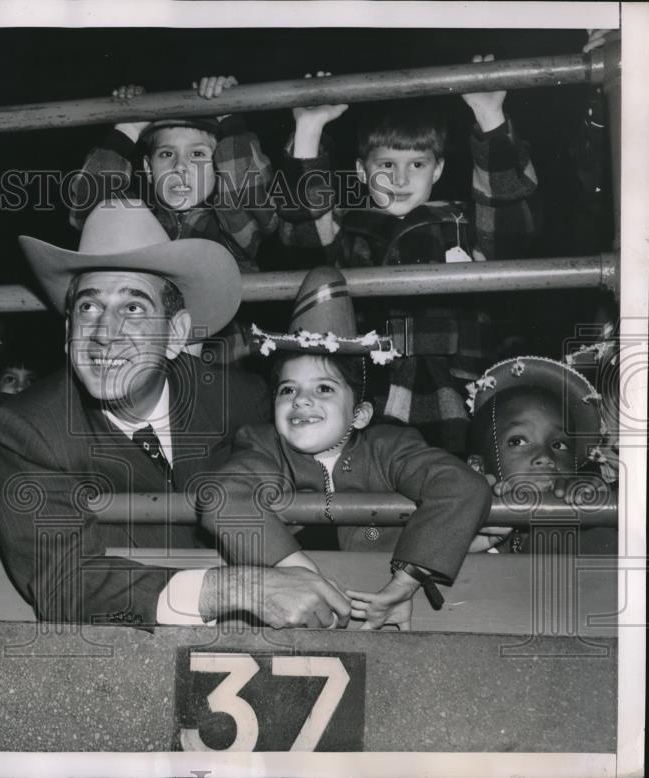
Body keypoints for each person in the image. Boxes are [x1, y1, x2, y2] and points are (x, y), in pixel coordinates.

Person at [0, 198, 352, 629]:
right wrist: (242, 589)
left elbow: (360, 465)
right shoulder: (27, 432)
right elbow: (66, 584)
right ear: (68, 333)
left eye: (133, 307)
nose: (104, 333)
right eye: (88, 307)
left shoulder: (246, 401)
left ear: (176, 334)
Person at [278, 56, 541, 454]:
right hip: (372, 392)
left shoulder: (459, 221)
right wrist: (309, 130)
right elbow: (304, 244)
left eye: (417, 164)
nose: (400, 179)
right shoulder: (347, 228)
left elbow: (510, 227)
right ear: (362, 172)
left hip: (456, 390)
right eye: (386, 164)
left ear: (437, 171)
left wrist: (490, 116)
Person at [203, 267, 490, 629]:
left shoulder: (389, 447)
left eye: (324, 388)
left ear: (360, 414)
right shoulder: (263, 446)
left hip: (374, 605)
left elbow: (461, 486)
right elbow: (221, 497)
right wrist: (303, 575)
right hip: (287, 614)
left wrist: (405, 583)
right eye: (287, 389)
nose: (301, 401)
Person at [68, 76, 277, 273]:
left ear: (219, 167)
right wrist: (129, 128)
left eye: (197, 154)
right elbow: (89, 214)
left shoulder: (229, 225)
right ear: (149, 169)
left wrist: (229, 119)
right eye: (167, 153)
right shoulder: (139, 219)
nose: (179, 166)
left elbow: (251, 199)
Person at [465, 354, 615, 555]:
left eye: (559, 445)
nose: (545, 457)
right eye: (517, 441)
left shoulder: (586, 530)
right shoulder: (461, 537)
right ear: (477, 468)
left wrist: (597, 510)